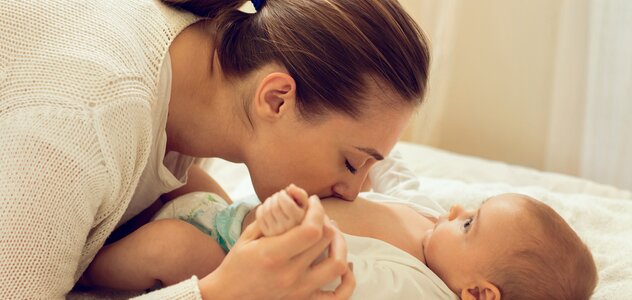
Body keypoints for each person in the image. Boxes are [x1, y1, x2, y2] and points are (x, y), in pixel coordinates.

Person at [0, 0, 431, 298]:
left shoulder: (196, 82)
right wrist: (220, 292)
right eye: (352, 162)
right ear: (277, 98)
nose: (352, 191)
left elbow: (146, 182)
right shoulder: (89, 113)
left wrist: (231, 241)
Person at [79, 154, 598, 300]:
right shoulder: (428, 219)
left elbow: (329, 272)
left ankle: (80, 269)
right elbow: (399, 178)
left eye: (470, 226)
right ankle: (101, 207)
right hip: (230, 213)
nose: (457, 211)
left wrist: (294, 226)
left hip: (225, 255)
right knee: (186, 173)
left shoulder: (416, 286)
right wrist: (373, 154)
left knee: (165, 249)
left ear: (479, 295)